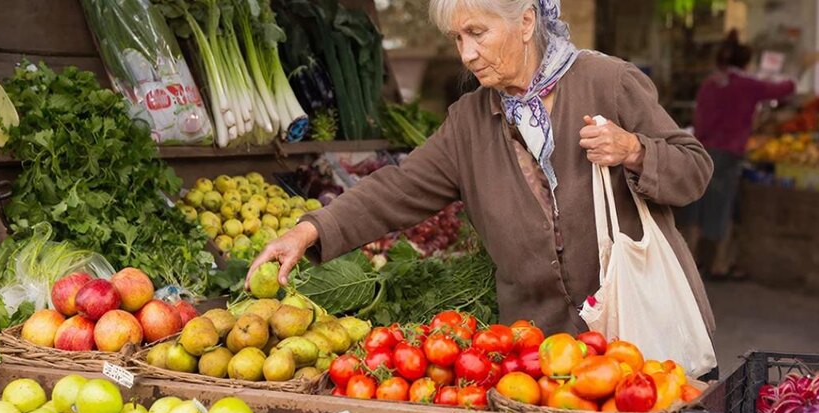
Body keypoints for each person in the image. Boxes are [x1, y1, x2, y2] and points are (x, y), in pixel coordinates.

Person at [247, 0, 715, 336]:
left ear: (527, 21)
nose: (466, 54)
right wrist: (308, 232)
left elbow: (694, 169)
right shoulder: (469, 121)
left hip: (642, 329)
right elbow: (397, 189)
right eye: (457, 38)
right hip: (542, 347)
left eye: (477, 32)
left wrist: (634, 150)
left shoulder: (608, 82)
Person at [681, 30, 796, 279]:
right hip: (729, 153)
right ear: (745, 62)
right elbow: (785, 88)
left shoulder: (710, 83)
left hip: (702, 151)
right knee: (724, 208)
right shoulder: (747, 84)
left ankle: (690, 264)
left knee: (697, 208)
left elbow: (699, 119)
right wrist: (800, 68)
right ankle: (720, 265)